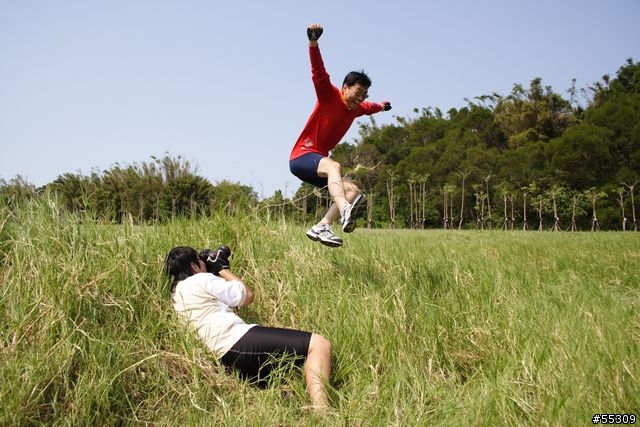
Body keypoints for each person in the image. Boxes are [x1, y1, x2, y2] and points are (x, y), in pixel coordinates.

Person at [165, 245, 332, 410]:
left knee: (285, 375)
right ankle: (322, 412)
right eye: (201, 262)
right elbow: (247, 295)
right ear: (194, 266)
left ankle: (292, 401)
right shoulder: (200, 279)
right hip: (236, 340)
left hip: (221, 360)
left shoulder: (177, 295)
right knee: (318, 344)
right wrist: (222, 268)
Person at [289, 24, 392, 247]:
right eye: (357, 92)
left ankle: (321, 227)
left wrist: (382, 107)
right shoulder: (329, 94)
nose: (360, 98)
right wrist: (313, 43)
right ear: (345, 87)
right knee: (335, 167)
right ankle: (345, 210)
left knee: (353, 191)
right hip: (302, 156)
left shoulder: (356, 108)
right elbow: (318, 71)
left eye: (364, 94)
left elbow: (369, 107)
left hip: (318, 163)